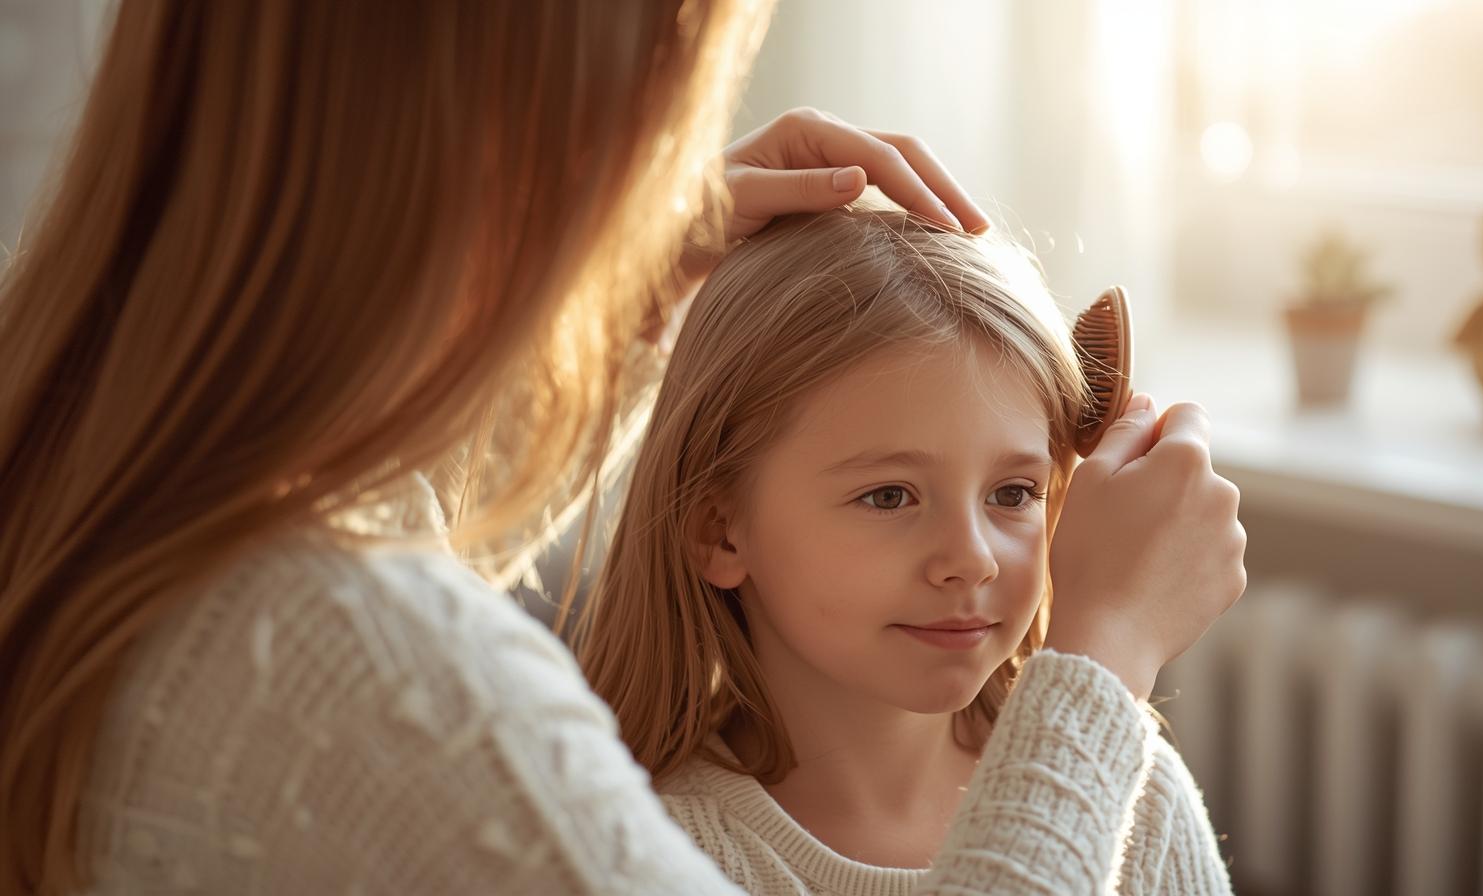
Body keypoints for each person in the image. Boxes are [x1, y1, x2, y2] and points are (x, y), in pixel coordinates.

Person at [0, 2, 1246, 894]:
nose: (968, 554)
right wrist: (1100, 661)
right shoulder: (404, 702)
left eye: (1017, 491)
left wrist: (589, 301)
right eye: (661, 113)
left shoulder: (89, 503)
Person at [581, 202, 1233, 893]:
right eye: (889, 496)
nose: (972, 559)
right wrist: (1112, 645)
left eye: (1012, 494)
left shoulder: (1133, 791)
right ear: (719, 531)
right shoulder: (651, 847)